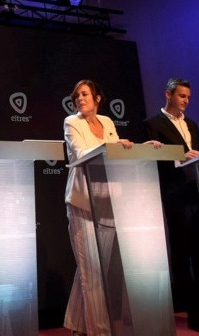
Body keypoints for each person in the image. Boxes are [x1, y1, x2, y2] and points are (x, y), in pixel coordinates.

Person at [143, 78, 199, 333]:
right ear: (168, 94)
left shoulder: (192, 124)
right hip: (175, 194)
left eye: (188, 97)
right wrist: (180, 156)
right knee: (183, 254)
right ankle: (194, 313)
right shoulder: (152, 124)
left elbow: (198, 152)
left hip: (197, 191)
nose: (186, 101)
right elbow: (153, 161)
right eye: (181, 96)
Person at [62, 79, 134, 336]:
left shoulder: (107, 122)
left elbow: (116, 155)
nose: (80, 99)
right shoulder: (72, 122)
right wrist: (112, 146)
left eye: (84, 94)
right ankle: (100, 332)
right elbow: (81, 154)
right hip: (81, 202)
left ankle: (78, 325)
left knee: (93, 270)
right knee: (90, 271)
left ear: (97, 98)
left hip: (107, 202)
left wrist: (138, 149)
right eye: (76, 96)